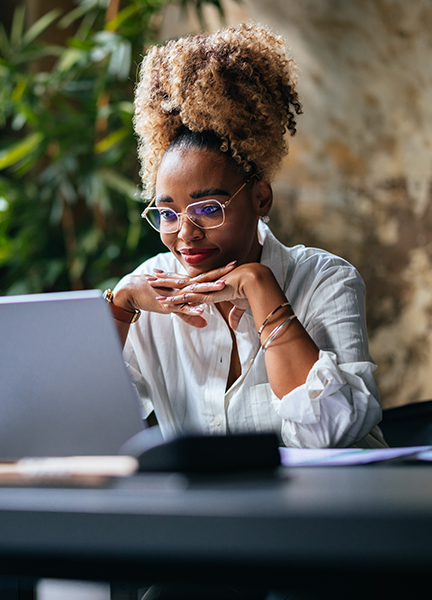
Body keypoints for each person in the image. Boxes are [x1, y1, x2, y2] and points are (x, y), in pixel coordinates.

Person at [105, 23, 386, 450]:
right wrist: (121, 307)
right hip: (215, 517)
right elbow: (71, 424)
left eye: (208, 208)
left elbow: (330, 435)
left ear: (260, 197)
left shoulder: (326, 281)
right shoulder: (152, 289)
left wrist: (260, 288)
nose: (186, 233)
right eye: (167, 213)